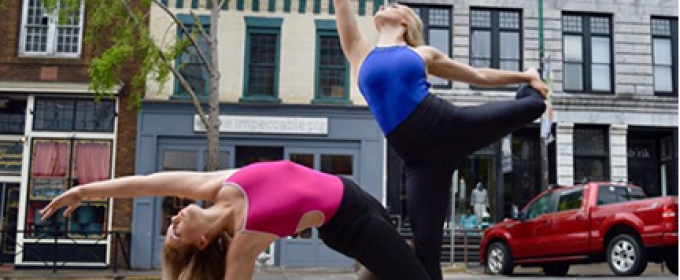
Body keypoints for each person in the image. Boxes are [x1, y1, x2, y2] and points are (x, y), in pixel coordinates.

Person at [332, 1, 549, 279]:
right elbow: (342, 5)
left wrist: (524, 75)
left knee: (534, 105)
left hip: (449, 126)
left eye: (395, 5)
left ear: (404, 22)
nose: (387, 4)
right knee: (426, 252)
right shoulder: (360, 52)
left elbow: (477, 75)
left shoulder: (422, 54)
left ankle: (528, 88)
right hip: (419, 162)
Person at [40, 160, 430, 280]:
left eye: (169, 224)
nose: (173, 220)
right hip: (353, 227)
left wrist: (83, 192)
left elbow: (146, 183)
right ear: (202, 242)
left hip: (357, 196)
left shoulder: (216, 184)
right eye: (176, 232)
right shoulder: (245, 240)